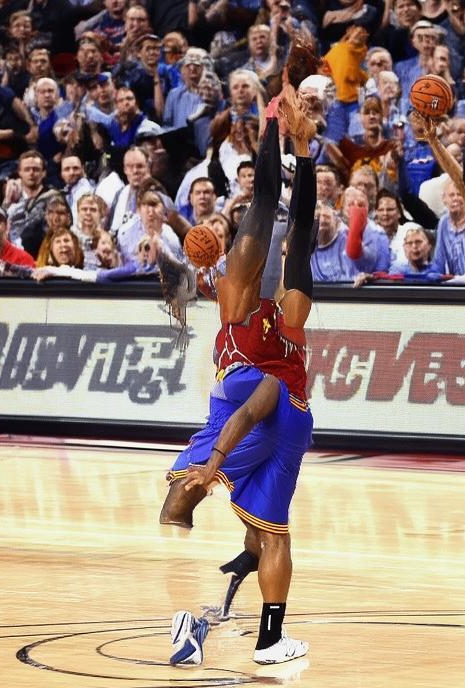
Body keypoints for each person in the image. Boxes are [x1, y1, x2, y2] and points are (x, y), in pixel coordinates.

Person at [157, 59, 319, 667]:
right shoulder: (289, 310)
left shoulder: (240, 297)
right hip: (290, 415)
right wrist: (301, 146)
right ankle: (270, 640)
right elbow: (298, 223)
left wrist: (275, 117)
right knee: (270, 534)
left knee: (179, 503)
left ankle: (195, 611)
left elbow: (271, 199)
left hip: (259, 401)